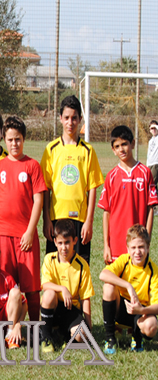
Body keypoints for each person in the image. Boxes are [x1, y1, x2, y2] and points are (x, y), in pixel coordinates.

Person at [0, 116, 46, 321]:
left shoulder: (32, 165)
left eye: (18, 139)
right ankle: (8, 328)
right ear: (4, 139)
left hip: (25, 237)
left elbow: (38, 201)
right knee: (5, 286)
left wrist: (30, 232)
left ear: (24, 139)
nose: (14, 144)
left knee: (31, 288)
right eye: (10, 140)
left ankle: (36, 328)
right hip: (2, 235)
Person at [41, 95, 104, 265]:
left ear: (80, 119)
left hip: (79, 220)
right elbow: (46, 188)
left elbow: (92, 188)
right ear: (60, 118)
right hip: (56, 217)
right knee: (55, 267)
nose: (70, 122)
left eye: (74, 118)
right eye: (67, 118)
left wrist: (89, 221)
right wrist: (46, 219)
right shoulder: (51, 149)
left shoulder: (88, 151)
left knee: (79, 267)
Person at [98, 125, 157, 263]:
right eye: (117, 146)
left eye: (124, 144)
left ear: (133, 144)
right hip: (116, 243)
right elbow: (107, 212)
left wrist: (147, 240)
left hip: (138, 244)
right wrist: (106, 245)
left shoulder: (145, 173)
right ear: (113, 150)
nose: (121, 149)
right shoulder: (111, 176)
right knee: (115, 277)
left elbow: (150, 210)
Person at [101, 225, 158, 354]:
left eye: (141, 247)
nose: (137, 252)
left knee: (151, 326)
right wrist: (128, 286)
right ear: (127, 249)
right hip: (121, 308)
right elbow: (103, 274)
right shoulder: (124, 260)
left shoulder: (153, 271)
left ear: (148, 247)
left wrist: (141, 310)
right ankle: (110, 338)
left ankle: (137, 337)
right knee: (108, 287)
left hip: (140, 312)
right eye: (133, 248)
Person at [40, 219, 94, 353]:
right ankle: (46, 338)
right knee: (49, 294)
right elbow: (45, 285)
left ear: (75, 241)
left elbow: (85, 298)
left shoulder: (82, 265)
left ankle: (66, 338)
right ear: (55, 242)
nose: (64, 247)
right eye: (60, 243)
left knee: (81, 334)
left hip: (71, 309)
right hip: (53, 307)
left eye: (67, 242)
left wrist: (89, 326)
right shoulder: (49, 259)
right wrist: (62, 289)